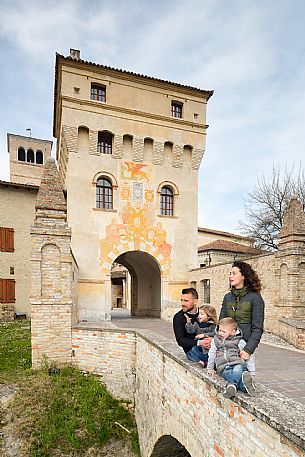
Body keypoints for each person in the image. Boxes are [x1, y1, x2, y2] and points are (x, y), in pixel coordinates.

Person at [219, 260, 265, 367]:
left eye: (234, 273)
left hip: (244, 346)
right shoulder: (227, 297)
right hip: (227, 344)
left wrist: (248, 349)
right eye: (230, 274)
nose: (230, 276)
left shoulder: (255, 298)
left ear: (243, 276)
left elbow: (257, 328)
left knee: (244, 373)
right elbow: (221, 322)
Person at [207, 317, 255, 398]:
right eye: (220, 330)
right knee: (230, 373)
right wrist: (210, 368)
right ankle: (244, 387)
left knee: (238, 369)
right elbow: (211, 353)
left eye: (223, 331)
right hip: (223, 367)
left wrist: (252, 372)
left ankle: (231, 385)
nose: (220, 333)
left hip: (237, 364)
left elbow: (249, 356)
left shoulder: (240, 341)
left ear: (233, 332)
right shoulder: (216, 340)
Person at [173, 288, 212, 362]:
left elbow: (215, 328)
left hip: (210, 347)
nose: (182, 304)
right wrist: (200, 343)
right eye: (182, 300)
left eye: (186, 301)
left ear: (195, 301)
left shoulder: (204, 313)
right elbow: (180, 340)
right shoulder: (178, 317)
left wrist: (211, 339)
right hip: (192, 351)